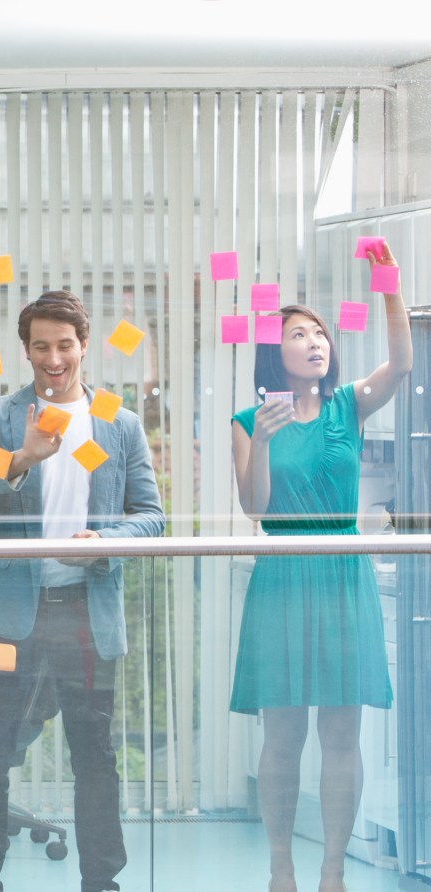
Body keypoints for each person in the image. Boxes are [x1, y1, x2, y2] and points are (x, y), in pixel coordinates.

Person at [0, 290, 165, 892]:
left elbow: (151, 515)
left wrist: (103, 537)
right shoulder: (1, 413)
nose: (53, 358)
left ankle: (102, 880)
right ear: (26, 351)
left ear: (84, 346)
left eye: (64, 345)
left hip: (83, 616)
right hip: (6, 620)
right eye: (41, 346)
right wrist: (21, 455)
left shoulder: (118, 424)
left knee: (94, 752)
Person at [230, 243, 410, 892]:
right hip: (283, 572)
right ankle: (283, 865)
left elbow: (401, 362)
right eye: (298, 334)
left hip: (341, 573)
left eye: (319, 333)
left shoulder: (348, 407)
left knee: (342, 729)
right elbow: (255, 507)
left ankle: (333, 869)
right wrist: (269, 441)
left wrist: (386, 282)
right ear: (273, 354)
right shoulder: (251, 420)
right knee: (283, 735)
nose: (314, 342)